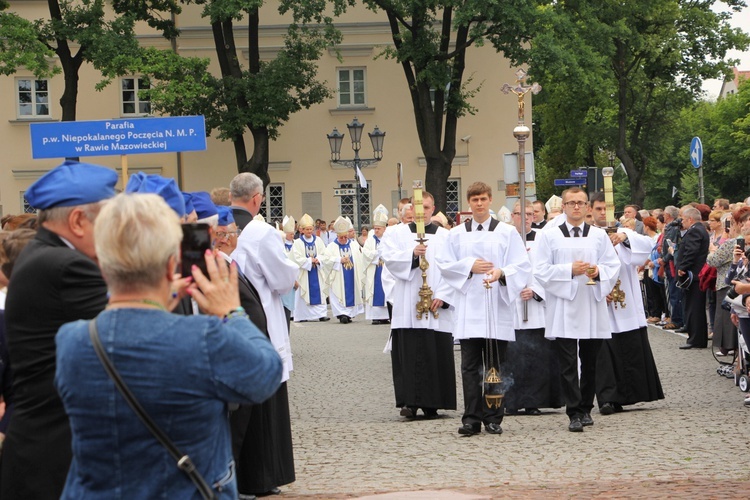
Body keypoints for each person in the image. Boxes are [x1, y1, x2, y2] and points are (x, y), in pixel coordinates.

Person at [54, 192, 282, 498]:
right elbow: (266, 373)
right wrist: (232, 312)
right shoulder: (201, 338)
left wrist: (152, 302)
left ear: (100, 261)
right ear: (172, 263)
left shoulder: (72, 340)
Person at [0, 160, 118, 499]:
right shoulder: (67, 265)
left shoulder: (45, 254)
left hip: (43, 441)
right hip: (55, 450)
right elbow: (126, 336)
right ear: (79, 221)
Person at [436, 182, 531, 436]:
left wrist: (501, 272)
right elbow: (444, 264)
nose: (479, 203)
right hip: (469, 308)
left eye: (483, 199)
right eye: (475, 199)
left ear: (490, 200)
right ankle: (471, 418)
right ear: (469, 203)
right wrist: (469, 266)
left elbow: (522, 265)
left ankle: (493, 417)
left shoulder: (507, 233)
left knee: (494, 365)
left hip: (496, 305)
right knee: (469, 366)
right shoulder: (456, 234)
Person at [229, 172, 298, 497]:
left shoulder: (221, 224)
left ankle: (240, 475)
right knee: (266, 407)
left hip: (233, 323)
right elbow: (282, 280)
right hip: (263, 323)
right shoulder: (261, 231)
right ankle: (263, 475)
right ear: (257, 198)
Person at [533, 187, 621, 432]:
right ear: (563, 206)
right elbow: (539, 269)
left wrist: (598, 271)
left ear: (588, 208)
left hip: (591, 302)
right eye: (571, 203)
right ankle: (573, 411)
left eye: (581, 203)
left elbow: (612, 264)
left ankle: (586, 407)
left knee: (591, 361)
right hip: (564, 303)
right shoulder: (549, 236)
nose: (576, 207)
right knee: (568, 362)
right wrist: (568, 270)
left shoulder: (597, 235)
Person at [381, 192, 456, 419]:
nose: (422, 211)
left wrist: (443, 295)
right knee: (409, 352)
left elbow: (453, 268)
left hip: (436, 303)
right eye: (418, 207)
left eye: (426, 207)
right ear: (411, 209)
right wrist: (412, 255)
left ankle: (434, 402)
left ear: (433, 208)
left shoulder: (446, 236)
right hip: (407, 303)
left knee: (435, 351)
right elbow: (389, 258)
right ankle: (410, 402)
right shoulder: (396, 233)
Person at [588, 194, 664, 415]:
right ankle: (607, 398)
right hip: (599, 302)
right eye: (599, 208)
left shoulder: (624, 232)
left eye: (607, 209)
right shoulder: (587, 236)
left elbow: (646, 247)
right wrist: (599, 290)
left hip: (625, 302)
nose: (603, 213)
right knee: (602, 353)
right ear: (591, 210)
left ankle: (631, 393)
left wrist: (624, 237)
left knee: (628, 348)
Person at [503, 201, 562, 416]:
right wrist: (512, 284)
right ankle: (511, 400)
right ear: (512, 215)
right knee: (512, 357)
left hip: (536, 307)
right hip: (511, 304)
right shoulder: (505, 237)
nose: (526, 218)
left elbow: (550, 269)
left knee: (536, 356)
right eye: (521, 214)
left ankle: (534, 400)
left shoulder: (543, 239)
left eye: (530, 214)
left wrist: (536, 291)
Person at [675, 206, 710, 349]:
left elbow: (691, 251)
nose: (681, 222)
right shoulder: (700, 229)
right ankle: (698, 338)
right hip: (697, 275)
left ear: (690, 219)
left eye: (683, 219)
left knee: (693, 308)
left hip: (693, 275)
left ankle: (695, 339)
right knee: (696, 308)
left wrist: (683, 267)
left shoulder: (695, 230)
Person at [321, 216, 364, 324]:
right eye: (341, 238)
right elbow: (325, 260)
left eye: (345, 237)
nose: (344, 239)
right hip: (338, 276)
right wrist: (339, 259)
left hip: (352, 275)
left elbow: (359, 258)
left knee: (352, 291)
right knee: (338, 292)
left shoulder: (353, 244)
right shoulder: (331, 246)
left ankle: (349, 314)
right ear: (337, 236)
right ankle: (342, 314)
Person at [289, 214, 330, 323]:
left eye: (311, 229)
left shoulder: (318, 241)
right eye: (307, 229)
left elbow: (324, 254)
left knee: (320, 291)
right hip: (304, 273)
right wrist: (309, 261)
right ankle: (302, 315)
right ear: (302, 230)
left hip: (317, 271)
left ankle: (321, 314)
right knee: (304, 293)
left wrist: (318, 259)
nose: (309, 231)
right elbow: (296, 258)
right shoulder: (297, 243)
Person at [360, 208, 390, 325]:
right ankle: (375, 316)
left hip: (386, 268)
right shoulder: (369, 241)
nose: (376, 230)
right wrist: (377, 253)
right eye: (375, 228)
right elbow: (365, 254)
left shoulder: (388, 239)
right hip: (375, 269)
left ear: (384, 229)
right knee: (375, 290)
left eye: (379, 228)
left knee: (386, 291)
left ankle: (386, 316)